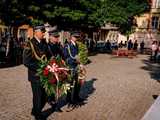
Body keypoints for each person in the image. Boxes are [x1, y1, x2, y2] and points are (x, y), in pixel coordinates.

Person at [23, 25, 48, 120]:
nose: (43, 34)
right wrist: (40, 68)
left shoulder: (44, 43)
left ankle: (35, 110)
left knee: (44, 96)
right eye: (42, 32)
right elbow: (26, 61)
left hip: (45, 75)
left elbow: (47, 56)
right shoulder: (29, 44)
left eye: (44, 32)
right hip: (35, 75)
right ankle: (38, 116)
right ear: (36, 32)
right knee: (37, 96)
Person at [63, 31, 84, 104]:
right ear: (71, 37)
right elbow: (66, 57)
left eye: (77, 37)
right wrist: (75, 60)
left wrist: (79, 62)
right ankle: (68, 99)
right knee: (70, 84)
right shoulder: (67, 46)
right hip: (70, 67)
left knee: (77, 83)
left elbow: (77, 55)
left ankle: (76, 97)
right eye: (75, 37)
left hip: (76, 67)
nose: (76, 38)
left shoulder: (76, 45)